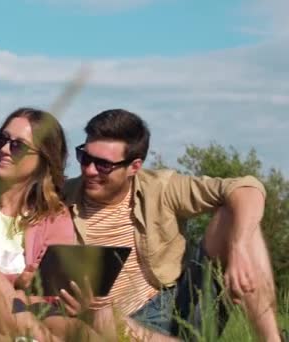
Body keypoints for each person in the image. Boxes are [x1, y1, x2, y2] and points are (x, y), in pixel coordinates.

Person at [61, 109, 281, 341]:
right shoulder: (60, 199)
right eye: (85, 157)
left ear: (134, 167)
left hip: (181, 302)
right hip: (117, 324)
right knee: (100, 318)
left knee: (234, 216)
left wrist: (239, 248)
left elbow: (247, 188)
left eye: (103, 165)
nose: (89, 170)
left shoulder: (161, 187)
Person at [0, 108, 102, 341]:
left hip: (32, 308)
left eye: (18, 146)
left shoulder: (54, 214)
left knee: (79, 332)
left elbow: (51, 289)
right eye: (1, 139)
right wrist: (18, 282)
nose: (4, 149)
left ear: (42, 159)